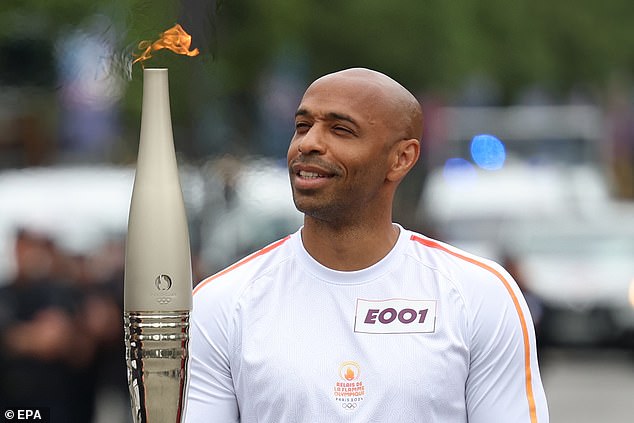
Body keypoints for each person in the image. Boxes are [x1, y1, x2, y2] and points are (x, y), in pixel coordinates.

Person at [185, 68, 549, 422]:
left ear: (401, 158)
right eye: (302, 126)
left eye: (341, 130)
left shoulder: (479, 294)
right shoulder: (221, 302)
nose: (309, 143)